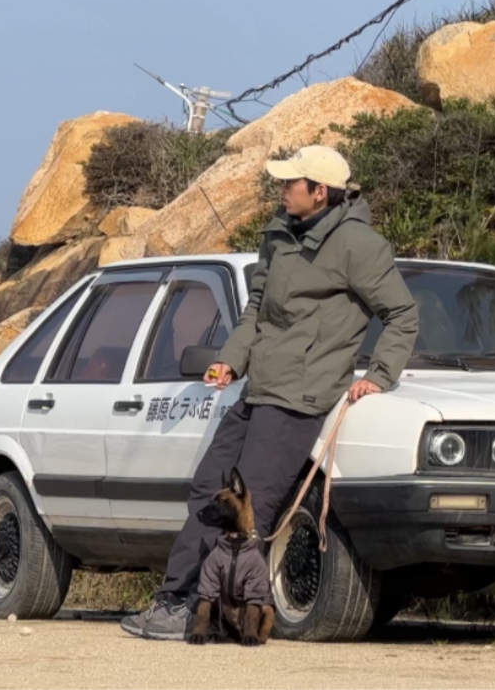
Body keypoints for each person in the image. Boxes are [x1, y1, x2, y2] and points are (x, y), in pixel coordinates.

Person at [120, 144, 419, 640]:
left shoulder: (358, 245)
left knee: (248, 510)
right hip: (257, 390)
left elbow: (403, 314)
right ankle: (172, 601)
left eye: (289, 184)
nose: (281, 190)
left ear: (319, 192)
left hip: (299, 399)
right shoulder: (278, 235)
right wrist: (230, 359)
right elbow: (255, 307)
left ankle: (212, 614)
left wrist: (379, 375)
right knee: (207, 493)